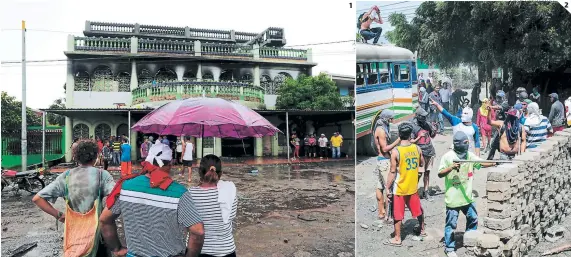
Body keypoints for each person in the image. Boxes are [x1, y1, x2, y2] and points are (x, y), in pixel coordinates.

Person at [100, 141, 205, 257]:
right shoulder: (180, 193)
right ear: (169, 164)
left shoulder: (125, 187)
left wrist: (116, 248)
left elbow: (105, 220)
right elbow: (198, 231)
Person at [33, 140, 115, 256]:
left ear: (75, 157)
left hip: (74, 234)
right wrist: (105, 217)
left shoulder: (66, 176)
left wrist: (60, 216)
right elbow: (116, 198)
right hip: (96, 235)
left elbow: (37, 198)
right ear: (96, 156)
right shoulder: (102, 175)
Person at [438, 131, 496, 257]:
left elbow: (481, 162)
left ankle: (469, 239)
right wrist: (451, 167)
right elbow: (440, 173)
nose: (467, 144)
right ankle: (449, 248)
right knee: (451, 224)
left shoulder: (469, 155)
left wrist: (493, 162)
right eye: (465, 143)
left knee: (473, 218)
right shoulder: (448, 157)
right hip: (453, 199)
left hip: (467, 197)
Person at [383, 122, 424, 247]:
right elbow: (421, 163)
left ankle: (397, 238)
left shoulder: (396, 151)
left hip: (400, 188)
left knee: (397, 214)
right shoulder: (417, 148)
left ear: (399, 135)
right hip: (412, 186)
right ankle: (422, 230)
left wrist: (387, 186)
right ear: (410, 134)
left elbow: (392, 171)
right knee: (418, 210)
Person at [189, 154, 237, 257]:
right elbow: (230, 218)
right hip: (226, 250)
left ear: (199, 172)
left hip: (198, 251)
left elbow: (188, 225)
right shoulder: (230, 192)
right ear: (221, 173)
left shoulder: (190, 194)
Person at [372, 110, 400, 221]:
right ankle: (388, 216)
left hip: (381, 161)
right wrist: (398, 140)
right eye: (391, 118)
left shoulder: (381, 127)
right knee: (389, 188)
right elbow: (384, 149)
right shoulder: (381, 130)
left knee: (379, 187)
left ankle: (381, 212)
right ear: (386, 119)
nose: (392, 120)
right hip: (384, 161)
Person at [410, 107, 437, 201]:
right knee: (418, 173)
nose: (424, 118)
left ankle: (426, 192)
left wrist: (435, 129)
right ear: (417, 116)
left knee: (427, 172)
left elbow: (432, 135)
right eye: (422, 117)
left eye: (425, 116)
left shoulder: (427, 124)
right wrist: (419, 137)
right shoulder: (413, 127)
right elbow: (411, 141)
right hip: (420, 153)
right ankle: (413, 192)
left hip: (429, 151)